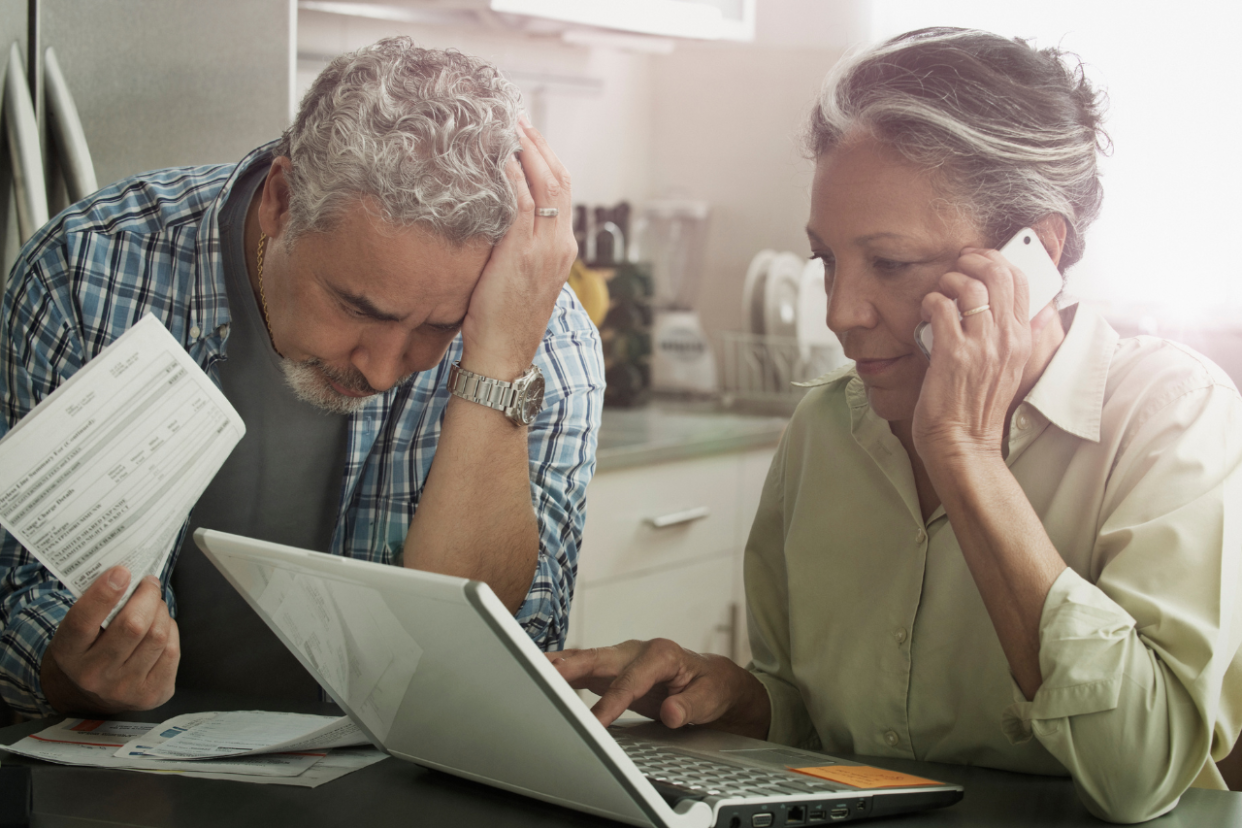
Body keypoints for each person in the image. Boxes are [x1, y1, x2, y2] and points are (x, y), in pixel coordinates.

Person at [550, 27, 1242, 824]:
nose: (840, 314)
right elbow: (822, 725)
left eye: (890, 264)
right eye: (827, 262)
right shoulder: (825, 430)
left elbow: (1140, 776)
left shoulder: (1172, 419)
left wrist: (968, 458)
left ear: (1035, 253)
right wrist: (738, 697)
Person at [0, 39, 603, 719]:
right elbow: (18, 588)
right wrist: (69, 670)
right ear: (281, 200)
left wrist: (495, 365)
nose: (379, 368)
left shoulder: (543, 334)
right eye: (357, 307)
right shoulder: (86, 267)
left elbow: (491, 658)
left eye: (439, 327)